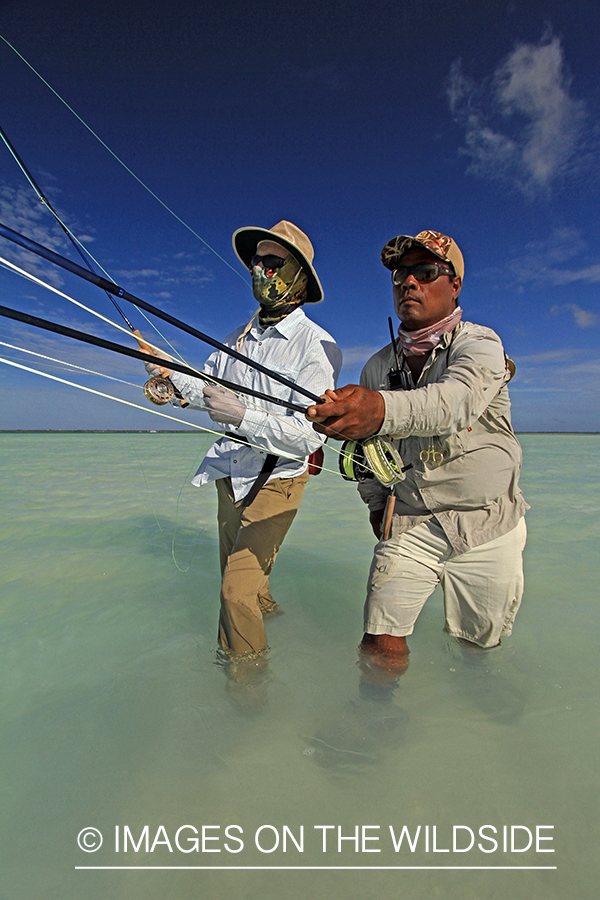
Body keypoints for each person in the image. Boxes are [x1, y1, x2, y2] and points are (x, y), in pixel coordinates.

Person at [307, 229, 527, 687]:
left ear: (455, 284)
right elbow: (365, 450)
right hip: (410, 518)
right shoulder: (376, 367)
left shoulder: (482, 345)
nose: (409, 283)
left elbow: (455, 403)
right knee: (379, 644)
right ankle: (374, 716)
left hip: (488, 522)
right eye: (400, 275)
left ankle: (477, 707)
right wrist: (373, 503)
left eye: (426, 273)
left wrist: (379, 409)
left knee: (477, 647)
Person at [142, 221, 341, 660]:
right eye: (256, 261)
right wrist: (168, 375)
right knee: (245, 583)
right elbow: (203, 392)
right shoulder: (234, 340)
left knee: (233, 594)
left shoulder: (317, 346)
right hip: (230, 476)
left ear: (299, 279)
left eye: (273, 262)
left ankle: (246, 696)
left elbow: (308, 436)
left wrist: (244, 415)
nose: (260, 269)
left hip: (279, 480)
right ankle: (274, 617)